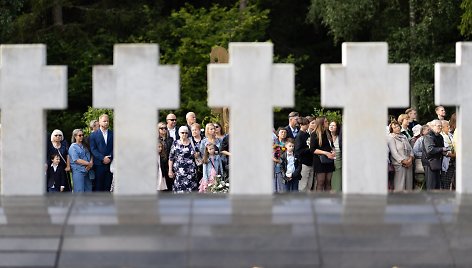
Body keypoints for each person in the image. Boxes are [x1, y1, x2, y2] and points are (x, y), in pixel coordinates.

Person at [168, 126, 198, 192]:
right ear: (179, 133)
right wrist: (170, 170)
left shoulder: (192, 142)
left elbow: (197, 154)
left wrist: (197, 155)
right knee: (179, 188)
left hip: (191, 171)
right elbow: (171, 158)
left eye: (186, 133)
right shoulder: (175, 143)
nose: (184, 134)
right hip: (179, 172)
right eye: (182, 132)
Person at [309, 117, 335, 191]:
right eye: (326, 121)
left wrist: (333, 151)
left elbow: (331, 145)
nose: (328, 123)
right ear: (321, 123)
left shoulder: (328, 132)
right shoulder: (314, 134)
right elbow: (312, 149)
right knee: (320, 182)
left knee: (328, 182)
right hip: (319, 160)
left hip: (329, 160)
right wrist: (325, 153)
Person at [423, 119, 450, 190]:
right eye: (438, 126)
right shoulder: (428, 136)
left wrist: (446, 152)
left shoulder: (440, 136)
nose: (440, 127)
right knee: (431, 185)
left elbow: (441, 149)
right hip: (429, 163)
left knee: (437, 185)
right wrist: (442, 149)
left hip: (437, 163)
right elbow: (430, 149)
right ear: (432, 126)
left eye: (441, 126)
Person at [89, 114, 114, 191]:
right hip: (99, 164)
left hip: (110, 164)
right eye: (104, 121)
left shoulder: (113, 134)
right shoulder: (93, 135)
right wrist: (103, 158)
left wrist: (110, 157)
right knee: (98, 187)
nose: (106, 123)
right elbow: (93, 149)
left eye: (107, 121)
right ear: (99, 122)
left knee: (107, 186)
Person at [387, 121, 414, 191]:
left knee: (409, 185)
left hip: (409, 163)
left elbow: (410, 149)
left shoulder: (404, 136)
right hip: (399, 164)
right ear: (391, 129)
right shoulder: (390, 137)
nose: (397, 128)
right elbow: (394, 152)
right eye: (394, 127)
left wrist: (410, 159)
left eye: (398, 126)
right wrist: (403, 161)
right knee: (400, 185)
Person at [295, 117, 313, 192]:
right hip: (304, 163)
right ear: (301, 125)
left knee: (309, 184)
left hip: (310, 162)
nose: (307, 125)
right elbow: (298, 151)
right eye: (305, 124)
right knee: (303, 185)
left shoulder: (307, 134)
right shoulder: (299, 136)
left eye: (308, 123)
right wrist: (309, 149)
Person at [413, 125, 430, 190]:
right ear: (422, 131)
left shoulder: (431, 139)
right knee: (419, 183)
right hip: (421, 166)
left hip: (429, 165)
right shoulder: (420, 140)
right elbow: (415, 152)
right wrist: (426, 155)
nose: (429, 131)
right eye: (428, 130)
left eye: (430, 130)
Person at [440, 120, 455, 190]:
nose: (449, 127)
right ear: (442, 128)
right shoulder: (441, 136)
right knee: (444, 182)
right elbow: (441, 150)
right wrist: (450, 154)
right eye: (447, 126)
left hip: (452, 162)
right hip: (445, 161)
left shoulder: (450, 135)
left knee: (449, 182)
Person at [273, 127, 287, 193]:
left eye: (285, 132)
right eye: (282, 132)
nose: (283, 134)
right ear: (278, 134)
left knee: (282, 185)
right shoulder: (274, 142)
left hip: (283, 165)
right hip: (275, 165)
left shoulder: (287, 142)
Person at [329, 120, 342, 191]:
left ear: (337, 127)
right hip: (326, 164)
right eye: (330, 125)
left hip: (337, 164)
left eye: (333, 125)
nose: (331, 126)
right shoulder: (325, 136)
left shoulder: (340, 137)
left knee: (336, 185)